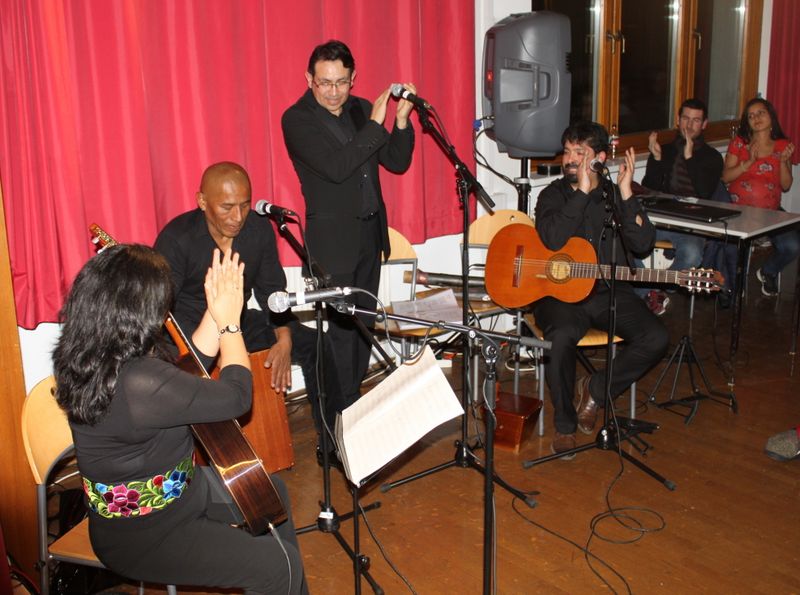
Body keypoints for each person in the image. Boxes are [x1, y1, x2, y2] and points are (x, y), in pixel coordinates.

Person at [53, 244, 307, 594]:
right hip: (145, 535)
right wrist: (230, 325)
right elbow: (236, 397)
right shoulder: (138, 382)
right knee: (278, 566)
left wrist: (216, 310)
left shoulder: (95, 354)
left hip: (180, 494)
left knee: (269, 494)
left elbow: (187, 368)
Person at [154, 161, 347, 461]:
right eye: (227, 207)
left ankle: (333, 443)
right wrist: (210, 349)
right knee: (181, 373)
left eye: (245, 205)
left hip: (238, 321)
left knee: (318, 344)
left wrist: (284, 337)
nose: (238, 217)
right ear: (202, 201)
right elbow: (162, 310)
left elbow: (272, 291)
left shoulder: (258, 229)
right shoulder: (177, 239)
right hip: (189, 332)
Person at [281, 39, 415, 406]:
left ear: (353, 78)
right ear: (309, 78)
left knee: (363, 326)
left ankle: (355, 405)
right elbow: (336, 168)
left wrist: (401, 122)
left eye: (341, 82)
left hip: (370, 234)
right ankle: (342, 412)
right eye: (324, 82)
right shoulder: (297, 119)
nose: (334, 91)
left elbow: (396, 162)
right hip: (333, 243)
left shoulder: (360, 109)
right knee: (342, 333)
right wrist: (375, 124)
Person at [533, 121, 670, 458]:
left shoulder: (614, 195)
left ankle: (595, 388)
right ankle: (565, 426)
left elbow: (643, 244)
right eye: (567, 151)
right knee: (561, 336)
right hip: (559, 294)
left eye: (579, 153)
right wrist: (581, 193)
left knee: (656, 337)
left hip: (608, 292)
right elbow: (552, 239)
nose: (570, 159)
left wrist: (626, 194)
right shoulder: (552, 195)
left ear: (599, 158)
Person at [639, 98, 724, 314]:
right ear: (678, 120)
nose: (689, 125)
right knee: (625, 239)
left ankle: (658, 290)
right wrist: (656, 158)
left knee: (692, 253)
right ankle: (650, 293)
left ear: (704, 124)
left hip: (691, 224)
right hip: (661, 218)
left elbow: (704, 193)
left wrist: (689, 158)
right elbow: (649, 188)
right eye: (686, 118)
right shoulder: (666, 150)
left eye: (696, 120)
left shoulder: (712, 157)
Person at [723, 97, 796, 297]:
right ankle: (734, 285)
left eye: (760, 113)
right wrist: (748, 163)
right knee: (735, 248)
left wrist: (783, 162)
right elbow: (725, 177)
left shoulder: (783, 145)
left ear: (771, 116)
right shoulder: (739, 143)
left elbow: (786, 185)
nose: (756, 118)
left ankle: (768, 272)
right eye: (751, 116)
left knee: (792, 246)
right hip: (739, 211)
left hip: (770, 212)